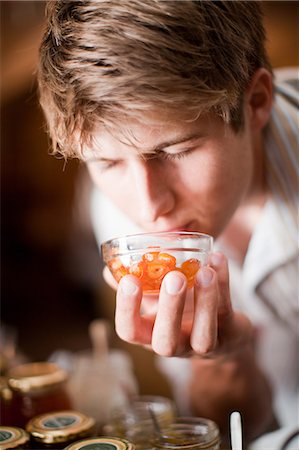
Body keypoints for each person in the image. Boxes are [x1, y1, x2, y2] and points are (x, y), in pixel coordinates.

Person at [37, 1, 298, 447]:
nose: (148, 207)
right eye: (106, 161)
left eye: (175, 150)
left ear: (255, 102)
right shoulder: (117, 209)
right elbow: (241, 430)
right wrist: (221, 358)